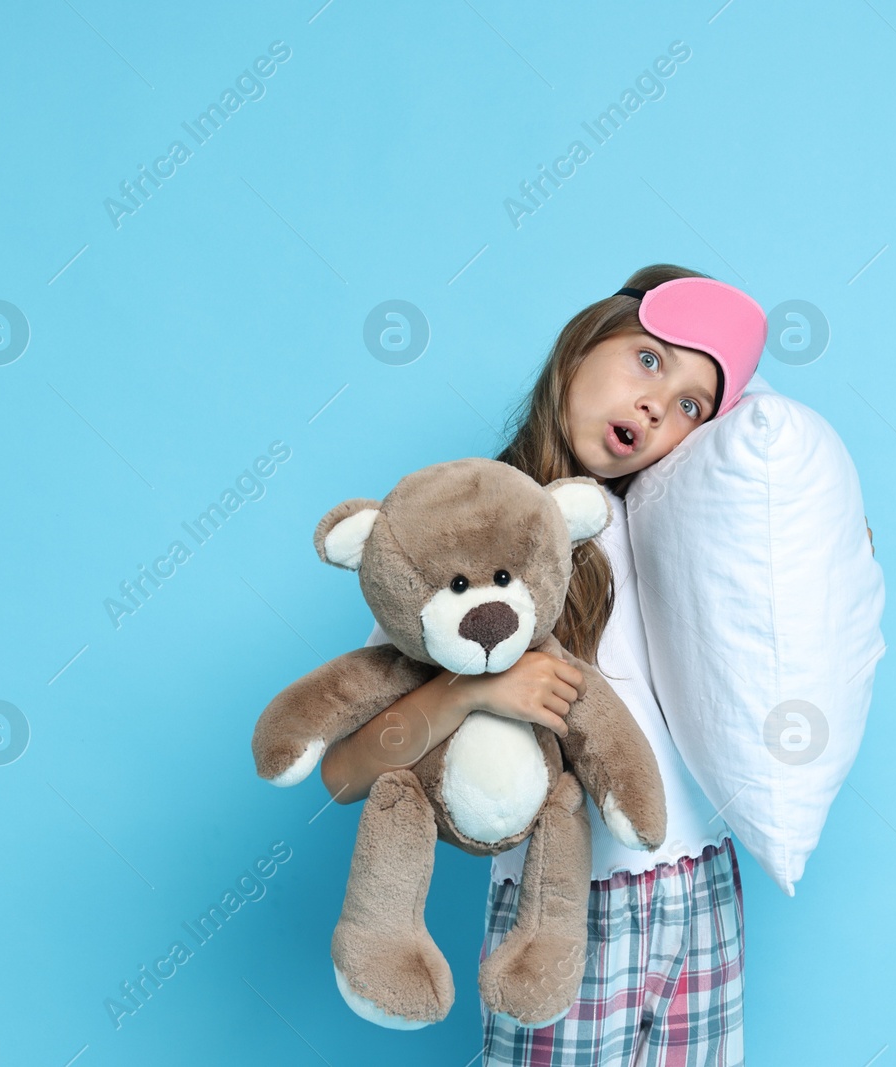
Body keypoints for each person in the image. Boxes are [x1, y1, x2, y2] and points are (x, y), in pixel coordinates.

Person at [320, 263, 766, 1065]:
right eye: (651, 359)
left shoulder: (680, 522)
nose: (657, 403)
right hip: (559, 914)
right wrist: (473, 687)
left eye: (691, 404)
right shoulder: (461, 534)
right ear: (585, 340)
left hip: (701, 882)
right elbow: (347, 772)